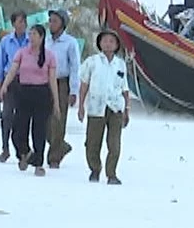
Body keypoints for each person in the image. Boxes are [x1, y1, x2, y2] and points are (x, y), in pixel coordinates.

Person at [0, 22, 57, 175]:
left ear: (42, 37)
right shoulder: (22, 53)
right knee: (18, 130)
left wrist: (56, 102)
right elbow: (12, 71)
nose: (31, 37)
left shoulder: (49, 56)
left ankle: (38, 163)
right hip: (24, 93)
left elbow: (52, 80)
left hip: (42, 94)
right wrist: (4, 85)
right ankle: (26, 154)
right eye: (30, 34)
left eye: (34, 34)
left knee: (39, 130)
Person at [77, 29, 133, 184]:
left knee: (114, 144)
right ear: (100, 43)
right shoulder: (92, 62)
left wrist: (127, 110)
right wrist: (81, 105)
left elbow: (125, 89)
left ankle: (111, 173)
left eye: (111, 41)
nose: (108, 44)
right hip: (96, 106)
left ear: (116, 45)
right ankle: (95, 169)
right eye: (105, 41)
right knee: (92, 142)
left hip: (115, 107)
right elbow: (84, 84)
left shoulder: (120, 64)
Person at [45, 10, 82, 168]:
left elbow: (75, 67)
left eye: (55, 21)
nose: (51, 24)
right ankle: (62, 146)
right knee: (44, 121)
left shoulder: (70, 43)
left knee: (58, 119)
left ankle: (54, 157)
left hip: (62, 83)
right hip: (45, 82)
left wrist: (73, 91)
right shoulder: (46, 41)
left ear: (62, 24)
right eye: (50, 20)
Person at [0, 11, 30, 163]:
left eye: (24, 21)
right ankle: (5, 148)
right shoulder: (6, 42)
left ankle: (22, 151)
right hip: (10, 80)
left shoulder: (31, 40)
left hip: (27, 81)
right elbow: (0, 64)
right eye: (19, 22)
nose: (22, 25)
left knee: (23, 117)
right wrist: (0, 85)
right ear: (13, 24)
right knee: (7, 114)